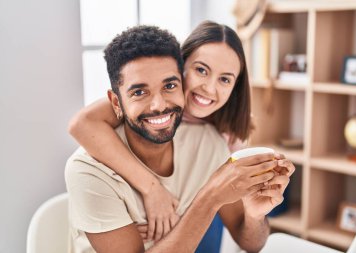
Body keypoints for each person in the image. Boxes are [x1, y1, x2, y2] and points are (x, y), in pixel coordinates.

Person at [65, 25, 294, 252]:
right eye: (201, 70)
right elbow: (82, 124)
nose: (209, 88)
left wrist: (254, 214)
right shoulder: (89, 168)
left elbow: (250, 241)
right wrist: (154, 189)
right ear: (184, 68)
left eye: (224, 79)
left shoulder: (212, 140)